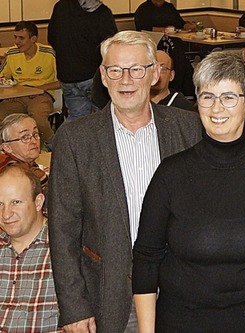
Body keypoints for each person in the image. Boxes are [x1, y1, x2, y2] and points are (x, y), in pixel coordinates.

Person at [132, 51, 245, 332]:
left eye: (228, 97)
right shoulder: (171, 173)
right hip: (183, 323)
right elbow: (146, 259)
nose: (216, 108)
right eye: (207, 96)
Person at [48, 30, 201, 332]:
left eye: (136, 69)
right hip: (108, 293)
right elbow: (62, 229)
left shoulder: (189, 128)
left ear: (155, 73)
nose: (126, 80)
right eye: (115, 70)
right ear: (103, 77)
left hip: (180, 291)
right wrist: (74, 307)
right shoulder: (75, 139)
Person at [0, 165, 61, 332]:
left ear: (38, 202)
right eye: (0, 204)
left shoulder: (64, 249)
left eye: (16, 202)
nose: (6, 214)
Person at [48, 0, 117, 123]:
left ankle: (60, 142)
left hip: (67, 75)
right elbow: (112, 46)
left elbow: (51, 38)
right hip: (93, 75)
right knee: (102, 119)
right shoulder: (102, 12)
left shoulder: (60, 7)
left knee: (77, 119)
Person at [0, 21, 60, 147]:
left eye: (21, 38)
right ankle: (7, 149)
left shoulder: (49, 53)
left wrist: (41, 88)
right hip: (17, 96)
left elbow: (64, 80)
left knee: (38, 120)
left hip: (42, 95)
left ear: (33, 39)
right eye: (15, 37)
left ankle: (54, 146)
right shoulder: (12, 54)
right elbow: (2, 77)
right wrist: (12, 91)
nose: (17, 42)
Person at [0, 114, 48, 193]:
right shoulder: (17, 174)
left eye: (35, 134)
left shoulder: (27, 164)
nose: (34, 141)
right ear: (7, 147)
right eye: (25, 137)